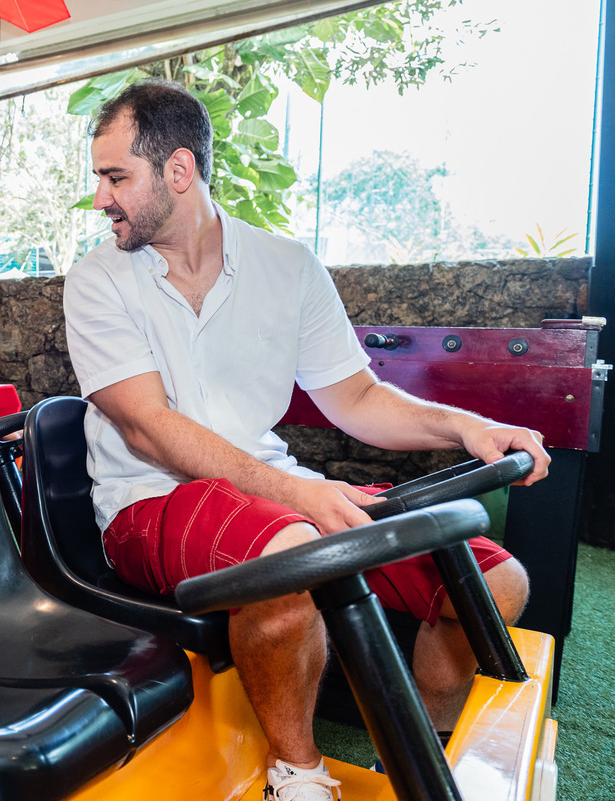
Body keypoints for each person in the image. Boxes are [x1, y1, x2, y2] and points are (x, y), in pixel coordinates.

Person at [61, 79, 550, 801]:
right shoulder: (97, 277)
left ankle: (415, 758)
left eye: (115, 177)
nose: (101, 197)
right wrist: (297, 494)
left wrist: (467, 427)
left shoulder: (287, 266)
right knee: (289, 555)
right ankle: (296, 774)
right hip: (150, 498)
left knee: (495, 582)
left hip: (270, 494)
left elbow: (356, 398)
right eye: (101, 178)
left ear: (179, 170)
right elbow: (148, 425)